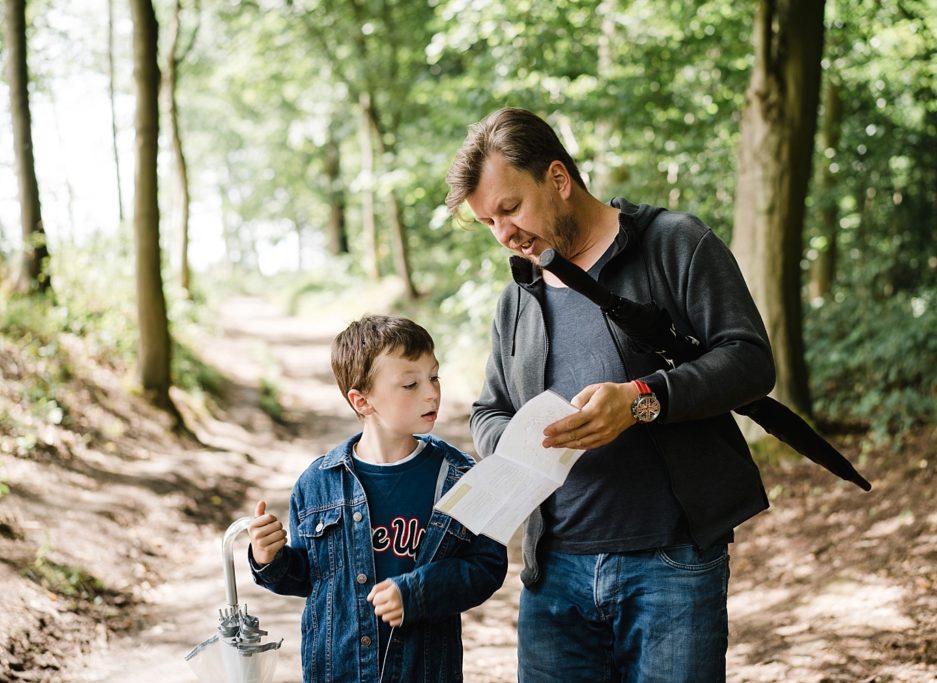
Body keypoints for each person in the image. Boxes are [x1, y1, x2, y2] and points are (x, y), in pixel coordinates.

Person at [445, 107, 776, 683]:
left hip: (672, 563)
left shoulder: (675, 243)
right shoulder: (516, 298)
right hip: (554, 578)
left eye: (510, 208)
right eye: (488, 223)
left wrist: (641, 400)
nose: (504, 234)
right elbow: (488, 411)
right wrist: (520, 439)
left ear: (558, 178)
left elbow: (749, 360)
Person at [246, 314, 508, 683]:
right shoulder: (318, 483)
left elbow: (487, 566)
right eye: (410, 384)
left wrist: (416, 594)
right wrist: (268, 559)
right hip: (339, 670)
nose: (431, 392)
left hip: (423, 669)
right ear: (362, 400)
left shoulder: (458, 477)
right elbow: (310, 578)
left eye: (433, 376)